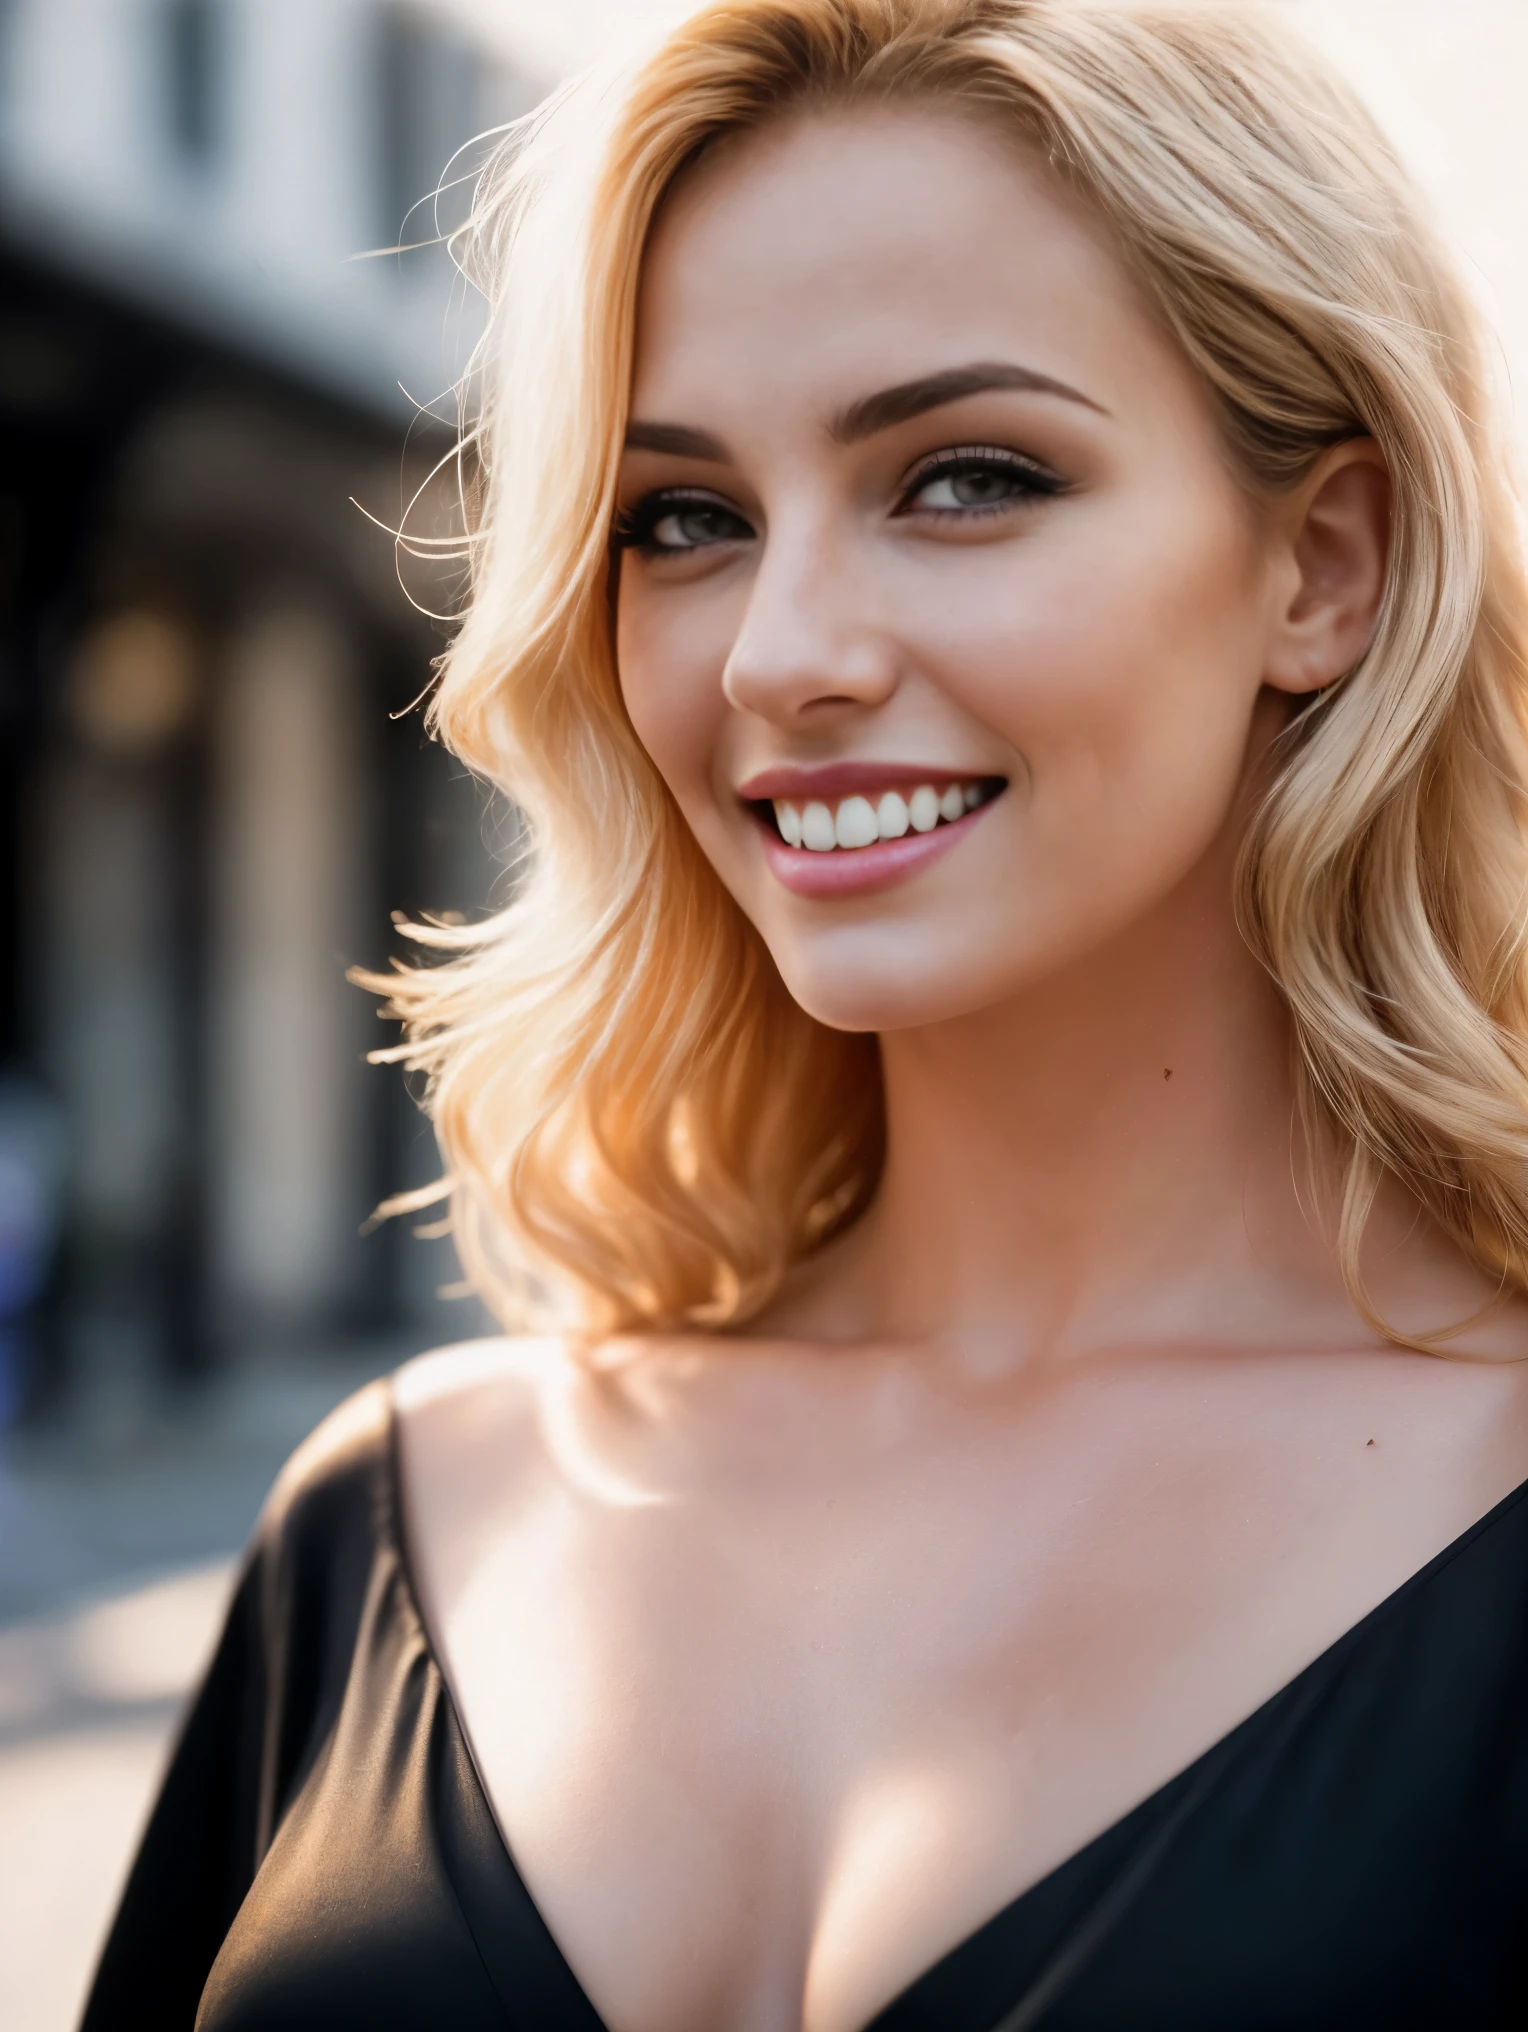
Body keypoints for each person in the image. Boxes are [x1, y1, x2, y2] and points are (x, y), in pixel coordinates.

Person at [82, 2, 1528, 2026]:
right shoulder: (400, 1513)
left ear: (1323, 562)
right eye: (681, 518)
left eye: (962, 476)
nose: (779, 652)